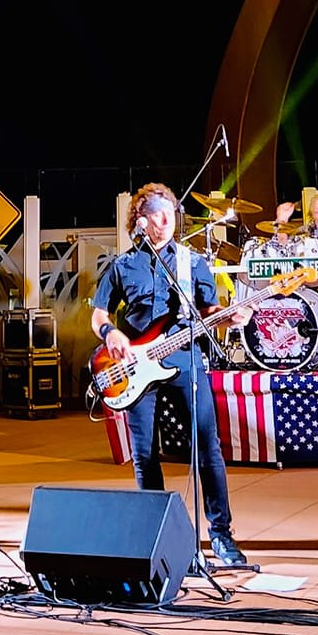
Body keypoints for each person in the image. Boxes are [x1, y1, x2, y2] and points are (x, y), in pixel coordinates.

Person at [92, 183, 250, 568]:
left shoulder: (191, 262)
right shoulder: (121, 265)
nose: (163, 222)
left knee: (206, 447)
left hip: (185, 358)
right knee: (144, 454)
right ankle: (157, 534)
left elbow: (209, 310)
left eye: (168, 214)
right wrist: (110, 333)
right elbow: (99, 313)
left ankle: (221, 535)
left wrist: (228, 316)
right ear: (139, 220)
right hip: (134, 366)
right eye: (154, 215)